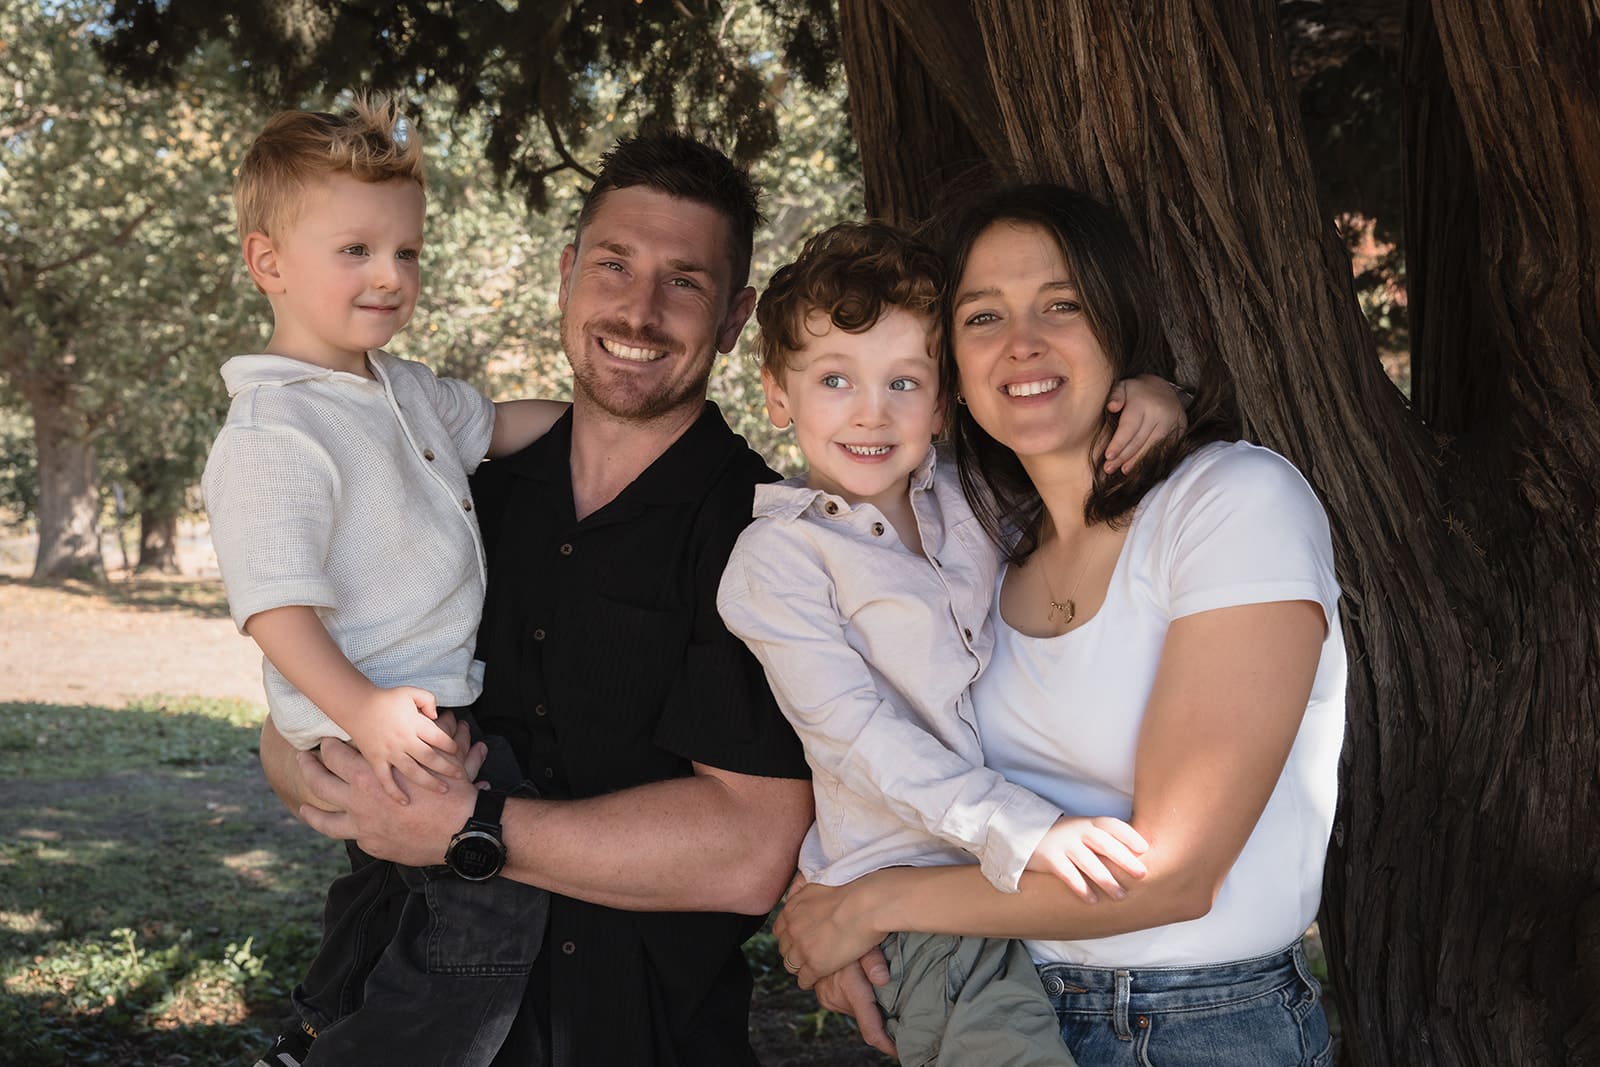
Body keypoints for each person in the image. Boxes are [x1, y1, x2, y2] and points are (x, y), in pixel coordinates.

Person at [258, 130, 819, 1066]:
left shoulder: (767, 537)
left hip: (633, 1036)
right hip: (382, 1005)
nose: (638, 309)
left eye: (684, 281)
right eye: (613, 265)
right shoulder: (453, 486)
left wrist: (470, 828)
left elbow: (750, 849)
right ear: (566, 276)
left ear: (734, 317)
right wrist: (299, 761)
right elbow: (300, 699)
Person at [775, 185, 1346, 1067]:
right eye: (983, 316)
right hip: (1001, 1003)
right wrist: (839, 901)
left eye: (1062, 304)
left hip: (1197, 1025)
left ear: (1119, 321)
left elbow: (1175, 876)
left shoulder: (1233, 503)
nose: (1022, 343)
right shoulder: (982, 548)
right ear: (949, 375)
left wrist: (869, 905)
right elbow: (884, 745)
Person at [717, 220, 1187, 1066]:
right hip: (915, 900)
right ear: (778, 396)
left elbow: (1088, 507)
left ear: (942, 403)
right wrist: (1027, 831)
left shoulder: (971, 500)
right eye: (834, 379)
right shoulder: (778, 559)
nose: (871, 411)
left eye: (903, 381)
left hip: (1019, 889)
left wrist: (1151, 400)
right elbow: (858, 736)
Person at [202, 96, 569, 1066]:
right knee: (491, 897)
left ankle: (317, 1027)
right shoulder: (276, 428)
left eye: (407, 251)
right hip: (372, 715)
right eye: (356, 250)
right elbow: (275, 608)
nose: (390, 275)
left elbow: (501, 426)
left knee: (388, 888)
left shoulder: (398, 387)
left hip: (417, 704)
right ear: (268, 262)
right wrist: (361, 710)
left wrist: (613, 422)